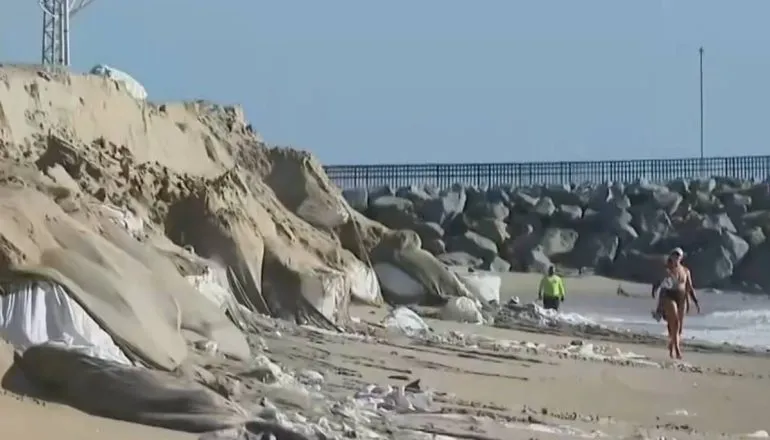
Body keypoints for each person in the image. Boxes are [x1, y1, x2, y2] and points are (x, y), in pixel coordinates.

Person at [651, 248, 700, 359]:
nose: (676, 257)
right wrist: (654, 290)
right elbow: (658, 281)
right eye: (674, 255)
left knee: (679, 327)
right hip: (669, 296)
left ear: (681, 257)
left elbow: (689, 287)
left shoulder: (686, 271)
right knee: (675, 322)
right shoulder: (667, 270)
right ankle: (677, 350)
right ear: (671, 257)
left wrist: (695, 301)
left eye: (678, 255)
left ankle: (672, 343)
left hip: (682, 298)